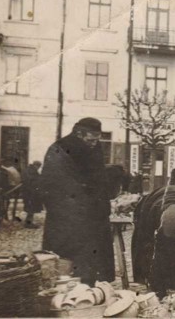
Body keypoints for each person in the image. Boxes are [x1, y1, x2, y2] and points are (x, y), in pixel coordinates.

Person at [40, 118, 117, 286]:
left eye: (97, 139)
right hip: (69, 218)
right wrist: (83, 203)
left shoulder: (94, 148)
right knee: (69, 264)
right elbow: (55, 184)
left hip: (94, 217)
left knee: (93, 264)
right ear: (79, 133)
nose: (94, 143)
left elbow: (99, 177)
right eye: (91, 139)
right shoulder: (59, 149)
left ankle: (90, 291)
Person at [21, 161, 43, 228]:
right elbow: (31, 182)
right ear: (36, 165)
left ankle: (29, 222)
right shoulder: (32, 171)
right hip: (30, 193)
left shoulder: (28, 170)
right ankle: (28, 223)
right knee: (31, 208)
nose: (38, 168)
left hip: (29, 192)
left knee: (31, 208)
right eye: (38, 166)